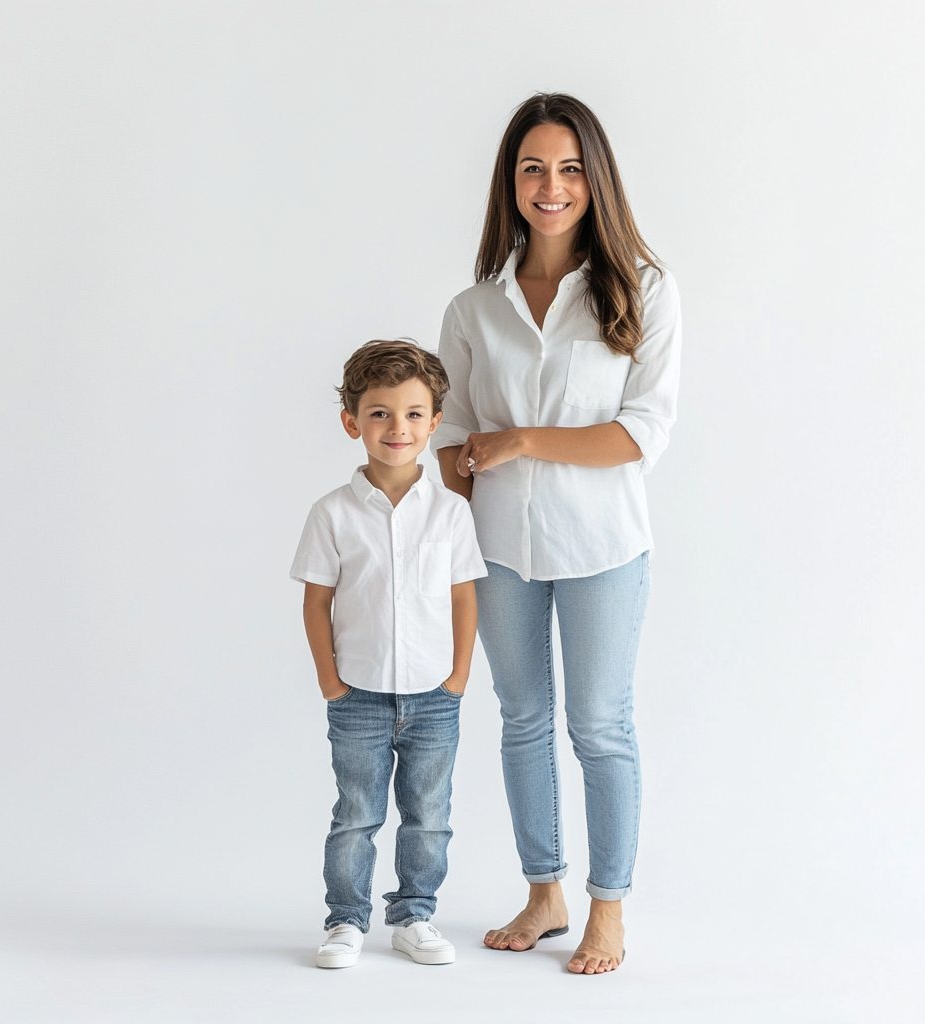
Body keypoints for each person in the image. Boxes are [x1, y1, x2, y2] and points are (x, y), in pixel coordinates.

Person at [432, 94, 682, 975]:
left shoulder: (642, 289)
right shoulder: (473, 307)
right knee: (522, 717)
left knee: (601, 725)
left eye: (571, 168)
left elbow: (639, 435)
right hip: (498, 544)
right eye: (534, 167)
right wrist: (455, 470)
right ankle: (546, 892)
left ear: (595, 180)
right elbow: (450, 435)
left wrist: (523, 440)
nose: (552, 185)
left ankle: (607, 909)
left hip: (604, 547)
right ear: (511, 180)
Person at [291, 340, 487, 968]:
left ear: (433, 422)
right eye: (379, 413)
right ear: (352, 422)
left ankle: (414, 916)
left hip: (435, 696)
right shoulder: (332, 514)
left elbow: (463, 598)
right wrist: (331, 682)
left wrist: (457, 678)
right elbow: (316, 602)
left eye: (411, 413)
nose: (396, 428)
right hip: (358, 695)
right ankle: (345, 921)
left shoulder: (453, 513)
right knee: (356, 813)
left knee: (428, 815)